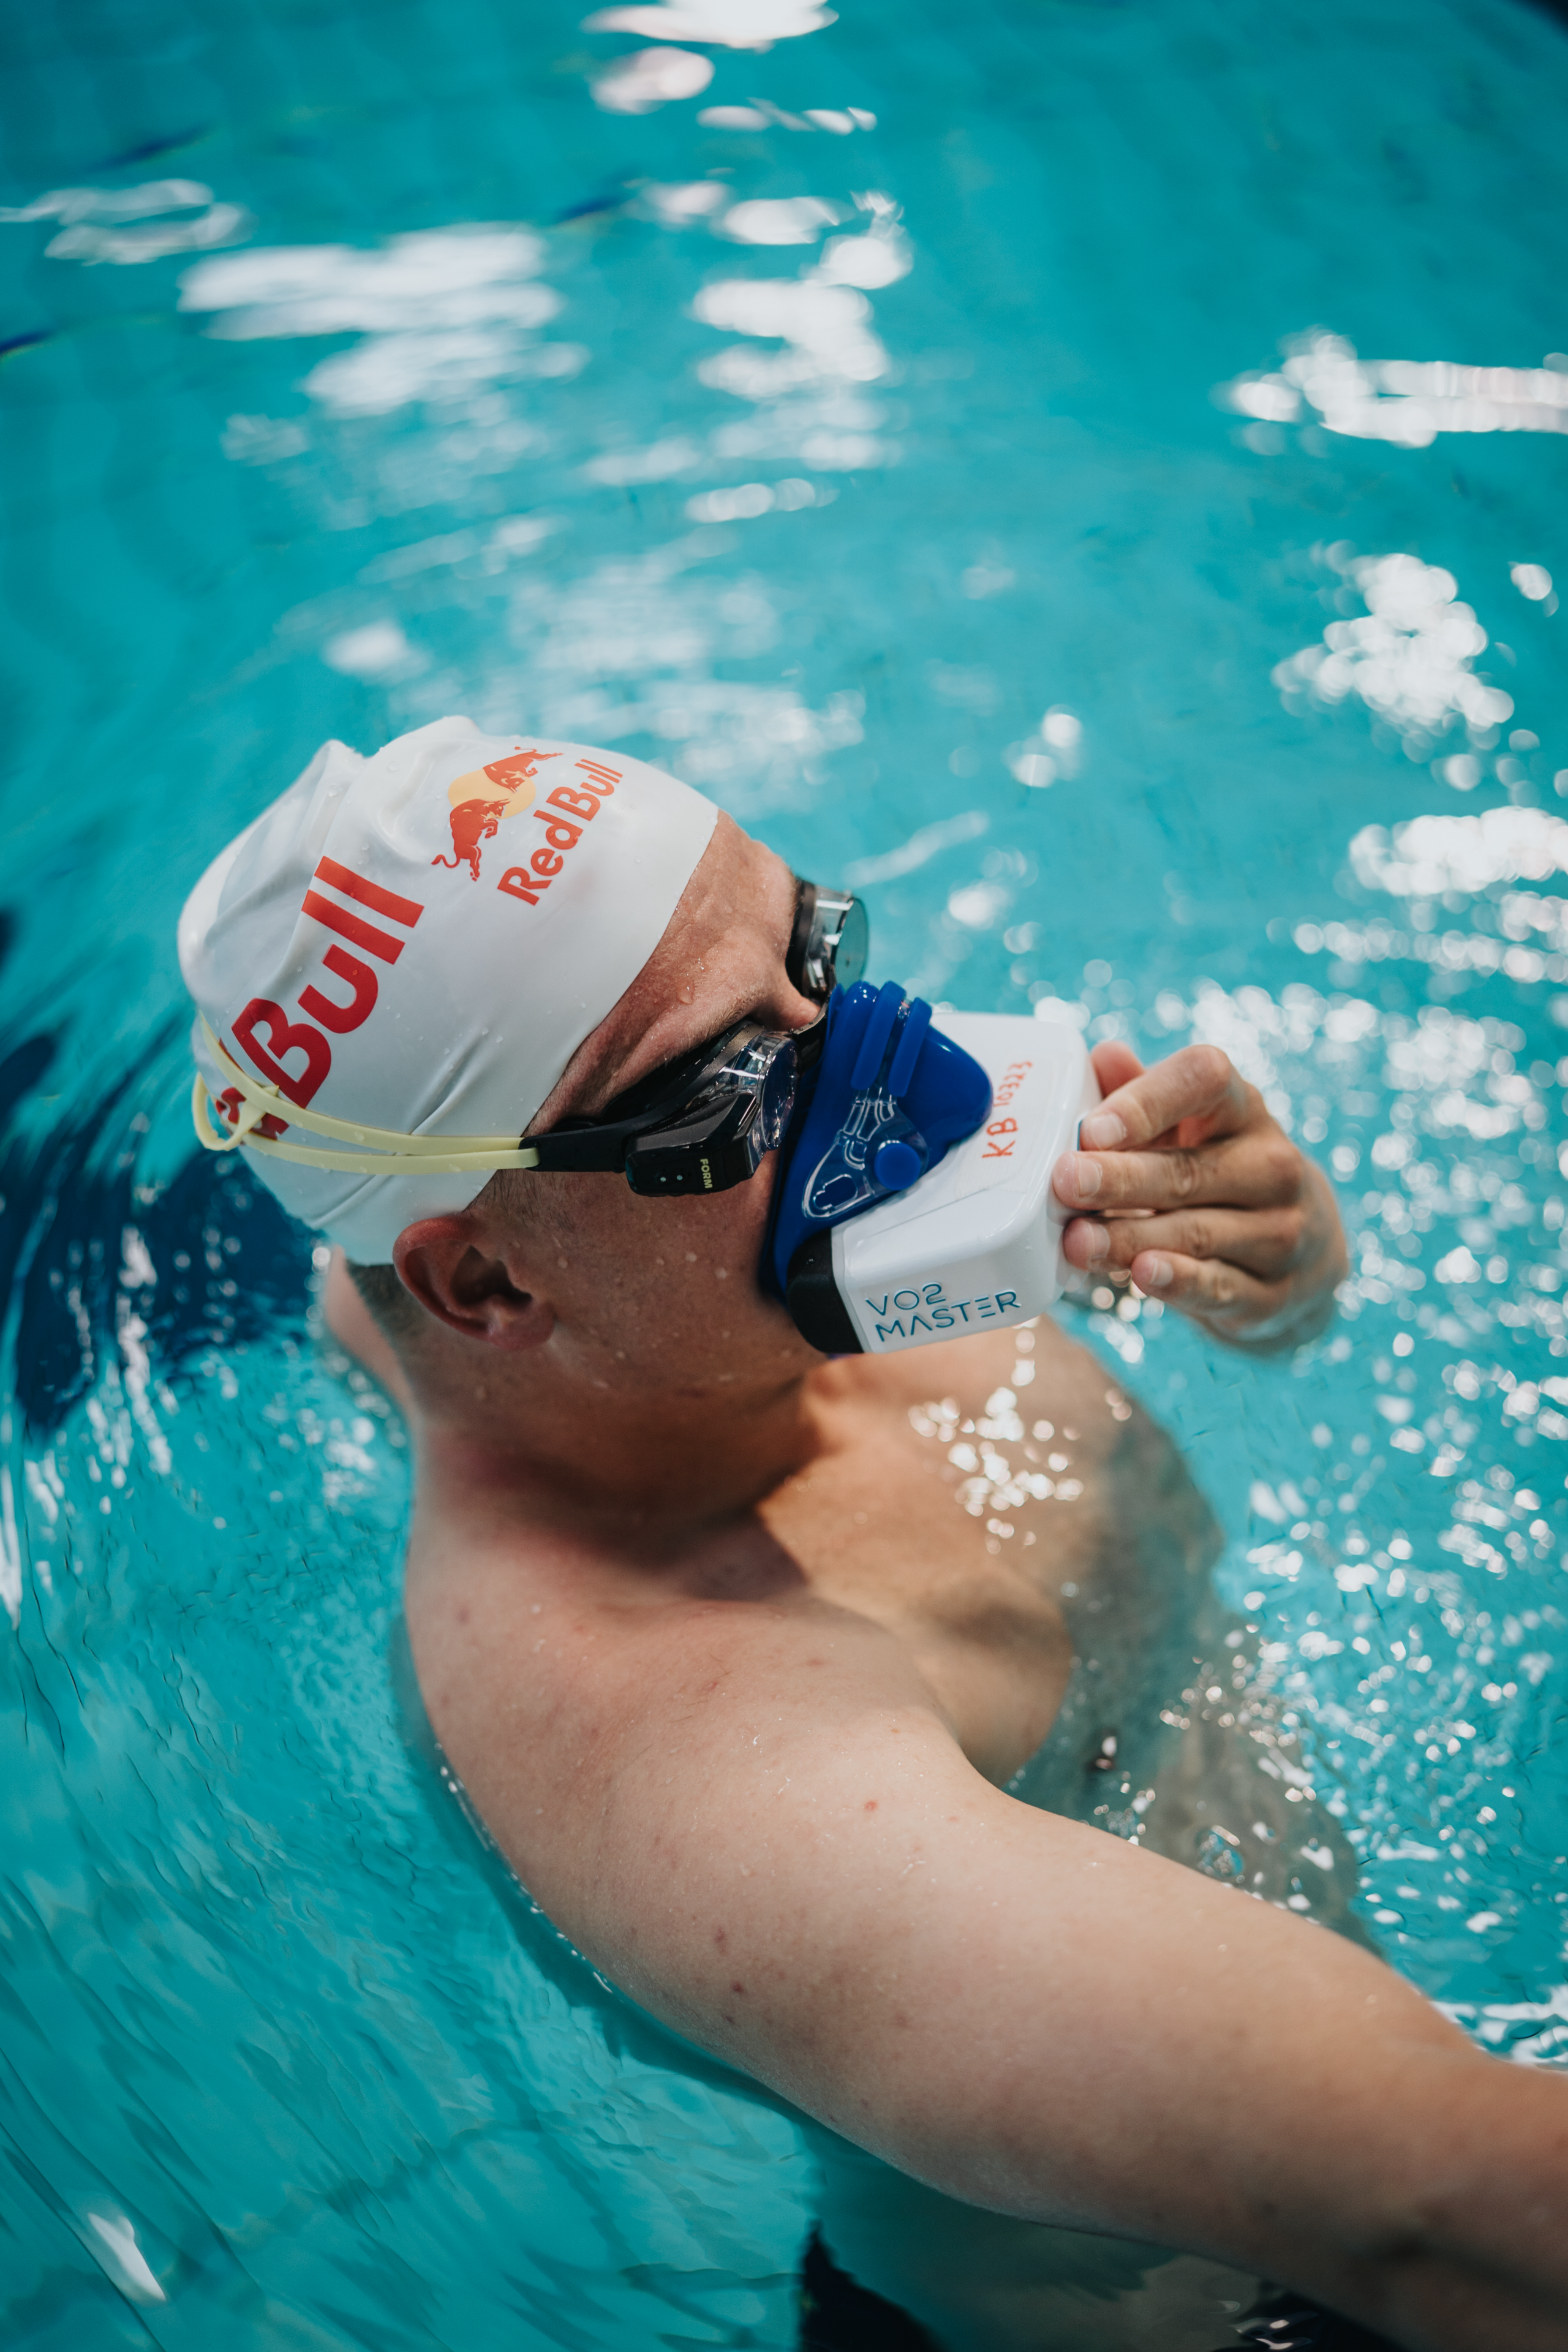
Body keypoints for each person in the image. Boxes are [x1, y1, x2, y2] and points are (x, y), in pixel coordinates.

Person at [181, 718, 1568, 2352]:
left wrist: (1277, 1266)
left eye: (813, 947)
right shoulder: (702, 1747)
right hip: (1218, 2308)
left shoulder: (651, 1278)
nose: (892, 1072)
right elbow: (1432, 2209)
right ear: (488, 1290)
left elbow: (362, 1257)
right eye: (733, 1084)